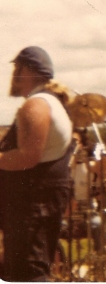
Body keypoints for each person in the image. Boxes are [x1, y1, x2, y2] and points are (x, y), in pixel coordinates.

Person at [0, 46, 74, 281]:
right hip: (35, 203)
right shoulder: (49, 102)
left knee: (27, 273)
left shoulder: (36, 105)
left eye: (17, 69)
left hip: (31, 204)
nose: (14, 76)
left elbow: (27, 156)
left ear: (28, 71)